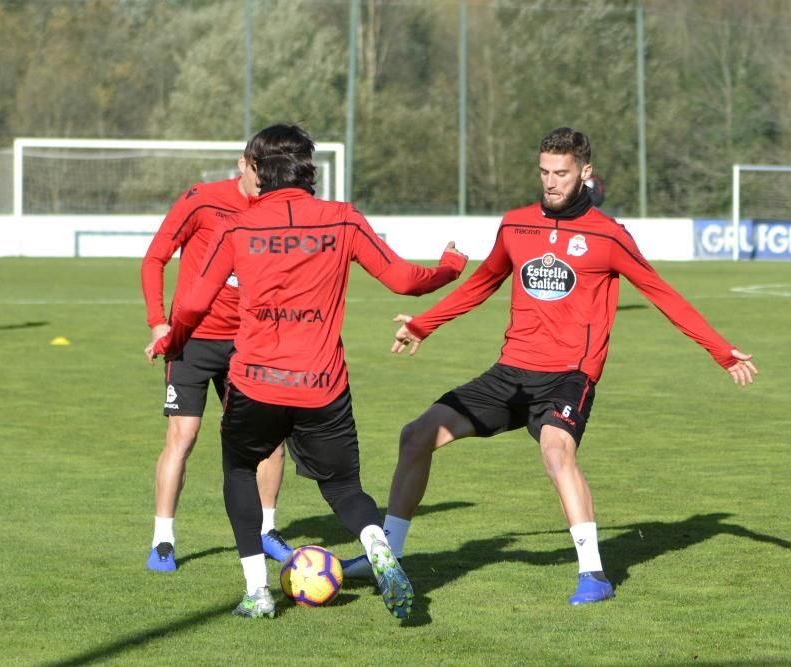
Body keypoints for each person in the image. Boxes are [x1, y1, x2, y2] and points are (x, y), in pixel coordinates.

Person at [342, 127, 758, 605]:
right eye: (544, 172)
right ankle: (387, 557)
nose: (551, 182)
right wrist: (423, 324)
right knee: (416, 435)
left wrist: (720, 350)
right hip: (509, 374)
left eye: (561, 173)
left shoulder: (609, 236)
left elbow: (664, 296)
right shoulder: (516, 225)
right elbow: (481, 284)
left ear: (585, 173)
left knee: (557, 452)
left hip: (567, 376)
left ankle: (594, 575)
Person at [147, 123, 468, 619]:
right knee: (342, 487)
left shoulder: (239, 226)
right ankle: (376, 543)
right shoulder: (342, 220)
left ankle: (257, 593)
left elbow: (191, 302)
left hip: (255, 382)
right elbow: (406, 280)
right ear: (308, 171)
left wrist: (172, 337)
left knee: (238, 470)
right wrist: (448, 266)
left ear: (259, 170)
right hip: (322, 385)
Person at [140, 152, 291, 572]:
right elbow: (155, 257)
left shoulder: (278, 208)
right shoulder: (202, 200)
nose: (264, 179)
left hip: (250, 342)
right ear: (244, 164)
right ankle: (163, 541)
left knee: (270, 439)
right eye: (258, 169)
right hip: (192, 340)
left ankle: (267, 530)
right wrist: (158, 323)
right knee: (183, 436)